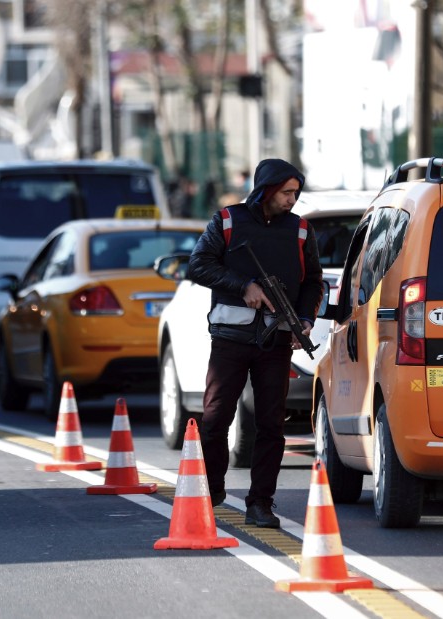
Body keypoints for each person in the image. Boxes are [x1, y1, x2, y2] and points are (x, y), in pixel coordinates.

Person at [187, 158, 323, 529]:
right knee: (215, 420)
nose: (293, 200)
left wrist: (305, 321)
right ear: (266, 189)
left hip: (276, 342)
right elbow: (197, 266)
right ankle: (212, 491)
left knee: (271, 426)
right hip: (230, 339)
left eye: (296, 193)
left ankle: (260, 502)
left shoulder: (300, 230)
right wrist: (242, 286)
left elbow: (313, 282)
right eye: (286, 193)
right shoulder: (228, 221)